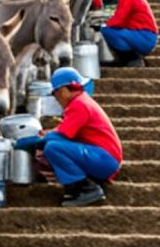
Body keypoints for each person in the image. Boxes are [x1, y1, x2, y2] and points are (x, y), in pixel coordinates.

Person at [13, 67, 122, 207]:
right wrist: (45, 135)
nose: (56, 98)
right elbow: (63, 132)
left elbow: (61, 135)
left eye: (55, 93)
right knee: (53, 143)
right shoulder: (82, 101)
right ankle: (76, 187)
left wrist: (29, 142)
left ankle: (86, 188)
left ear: (63, 90)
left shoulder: (79, 105)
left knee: (53, 148)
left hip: (105, 160)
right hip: (102, 157)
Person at [100, 0, 159, 67]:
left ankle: (131, 58)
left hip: (144, 36)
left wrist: (103, 26)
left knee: (107, 32)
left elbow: (119, 19)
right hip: (147, 36)